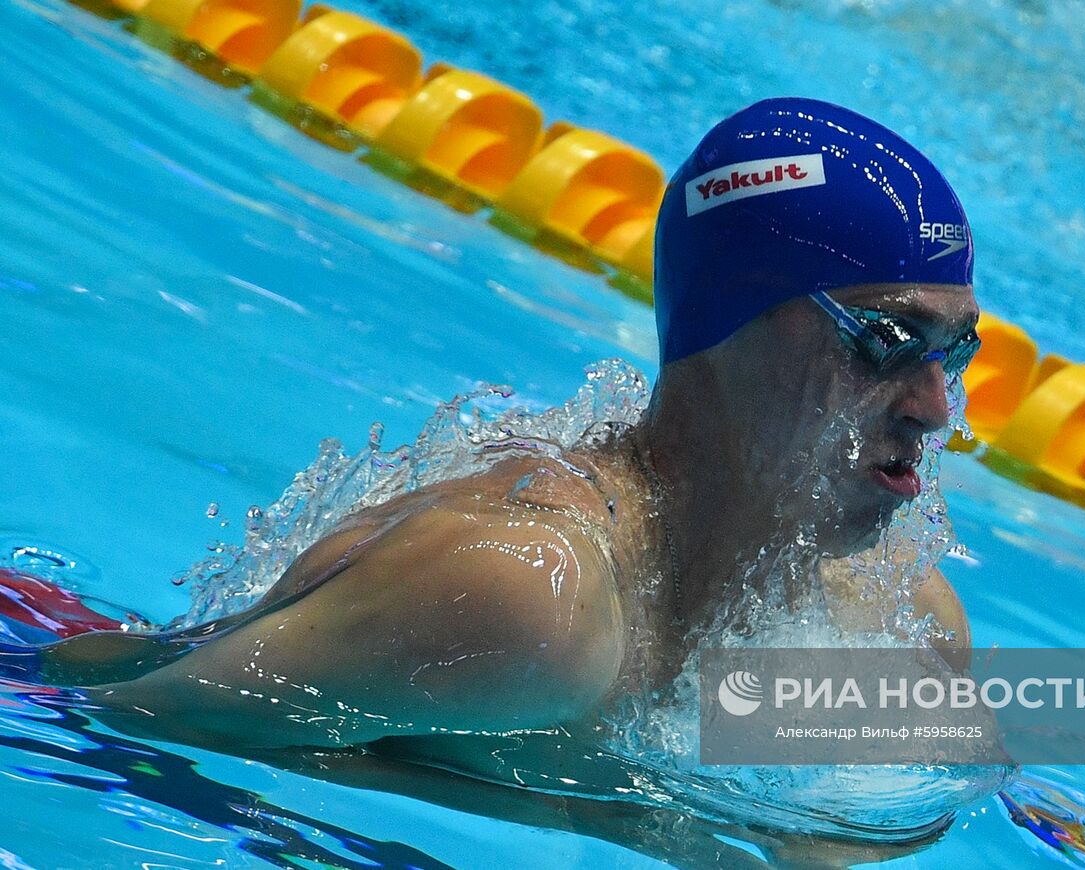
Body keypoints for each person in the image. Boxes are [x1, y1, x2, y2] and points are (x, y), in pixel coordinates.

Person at [74, 97, 982, 768]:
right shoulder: (527, 592)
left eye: (957, 351)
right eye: (888, 341)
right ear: (726, 324)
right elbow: (121, 729)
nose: (935, 408)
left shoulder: (897, 630)